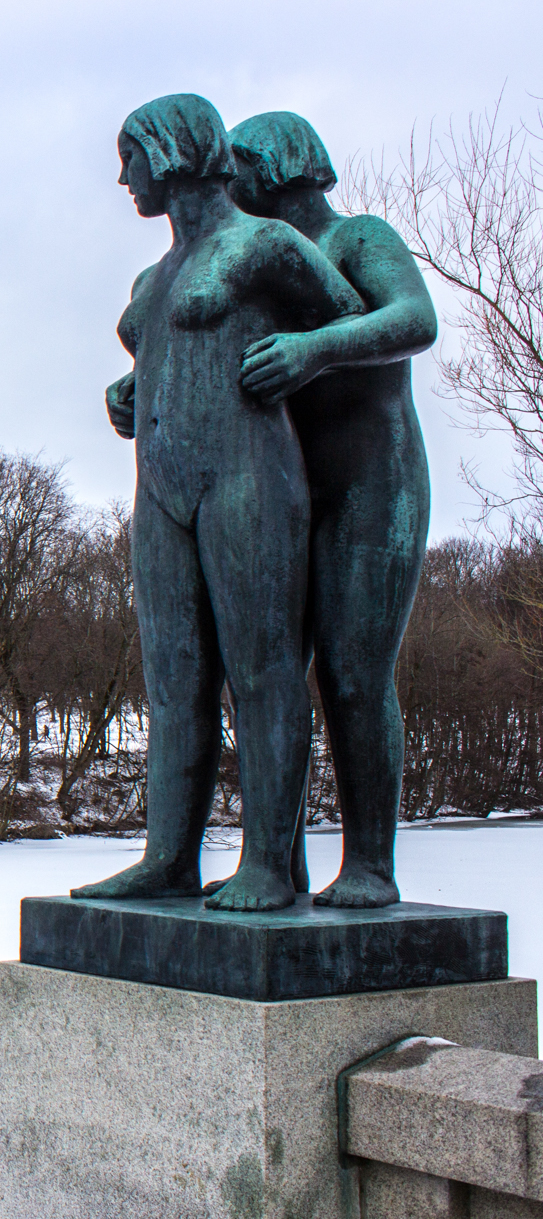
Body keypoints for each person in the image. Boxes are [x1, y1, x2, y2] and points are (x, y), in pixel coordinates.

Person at [73, 94, 362, 912]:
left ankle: (269, 861)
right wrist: (130, 387)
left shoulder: (261, 243)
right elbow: (164, 348)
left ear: (169, 152)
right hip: (160, 487)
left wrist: (301, 357)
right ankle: (167, 856)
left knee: (263, 671)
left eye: (130, 157)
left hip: (248, 477)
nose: (122, 177)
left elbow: (351, 324)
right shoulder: (152, 274)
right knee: (172, 680)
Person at [219, 110, 437, 909]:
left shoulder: (357, 238)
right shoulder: (263, 268)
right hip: (285, 491)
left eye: (234, 169)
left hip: (374, 486)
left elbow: (413, 320)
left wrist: (313, 348)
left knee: (352, 673)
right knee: (268, 676)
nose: (225, 187)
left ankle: (371, 863)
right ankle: (274, 864)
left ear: (275, 166)